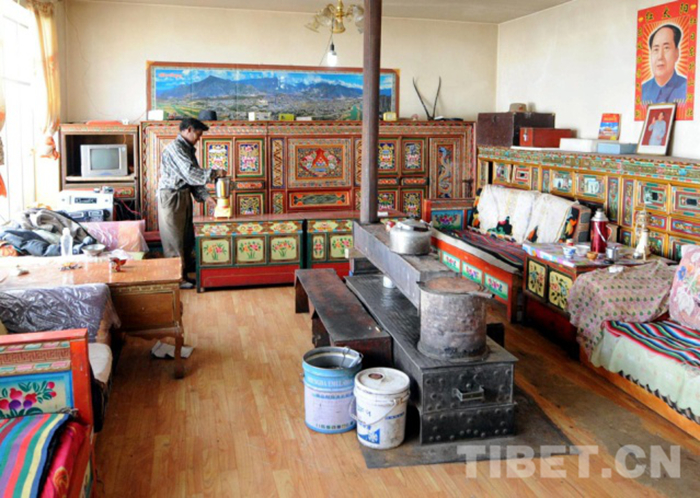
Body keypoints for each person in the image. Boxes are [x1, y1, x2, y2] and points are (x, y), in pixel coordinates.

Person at [158, 118, 225, 289]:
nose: (199, 139)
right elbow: (190, 174)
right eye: (198, 135)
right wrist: (215, 173)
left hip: (183, 194)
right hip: (171, 196)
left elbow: (193, 180)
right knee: (173, 239)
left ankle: (185, 274)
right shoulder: (175, 148)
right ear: (188, 130)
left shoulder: (187, 149)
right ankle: (176, 279)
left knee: (186, 237)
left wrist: (207, 198)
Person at [641, 24, 688, 104]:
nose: (660, 56)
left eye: (666, 48)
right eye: (656, 49)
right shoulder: (643, 91)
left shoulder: (687, 88)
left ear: (676, 53)